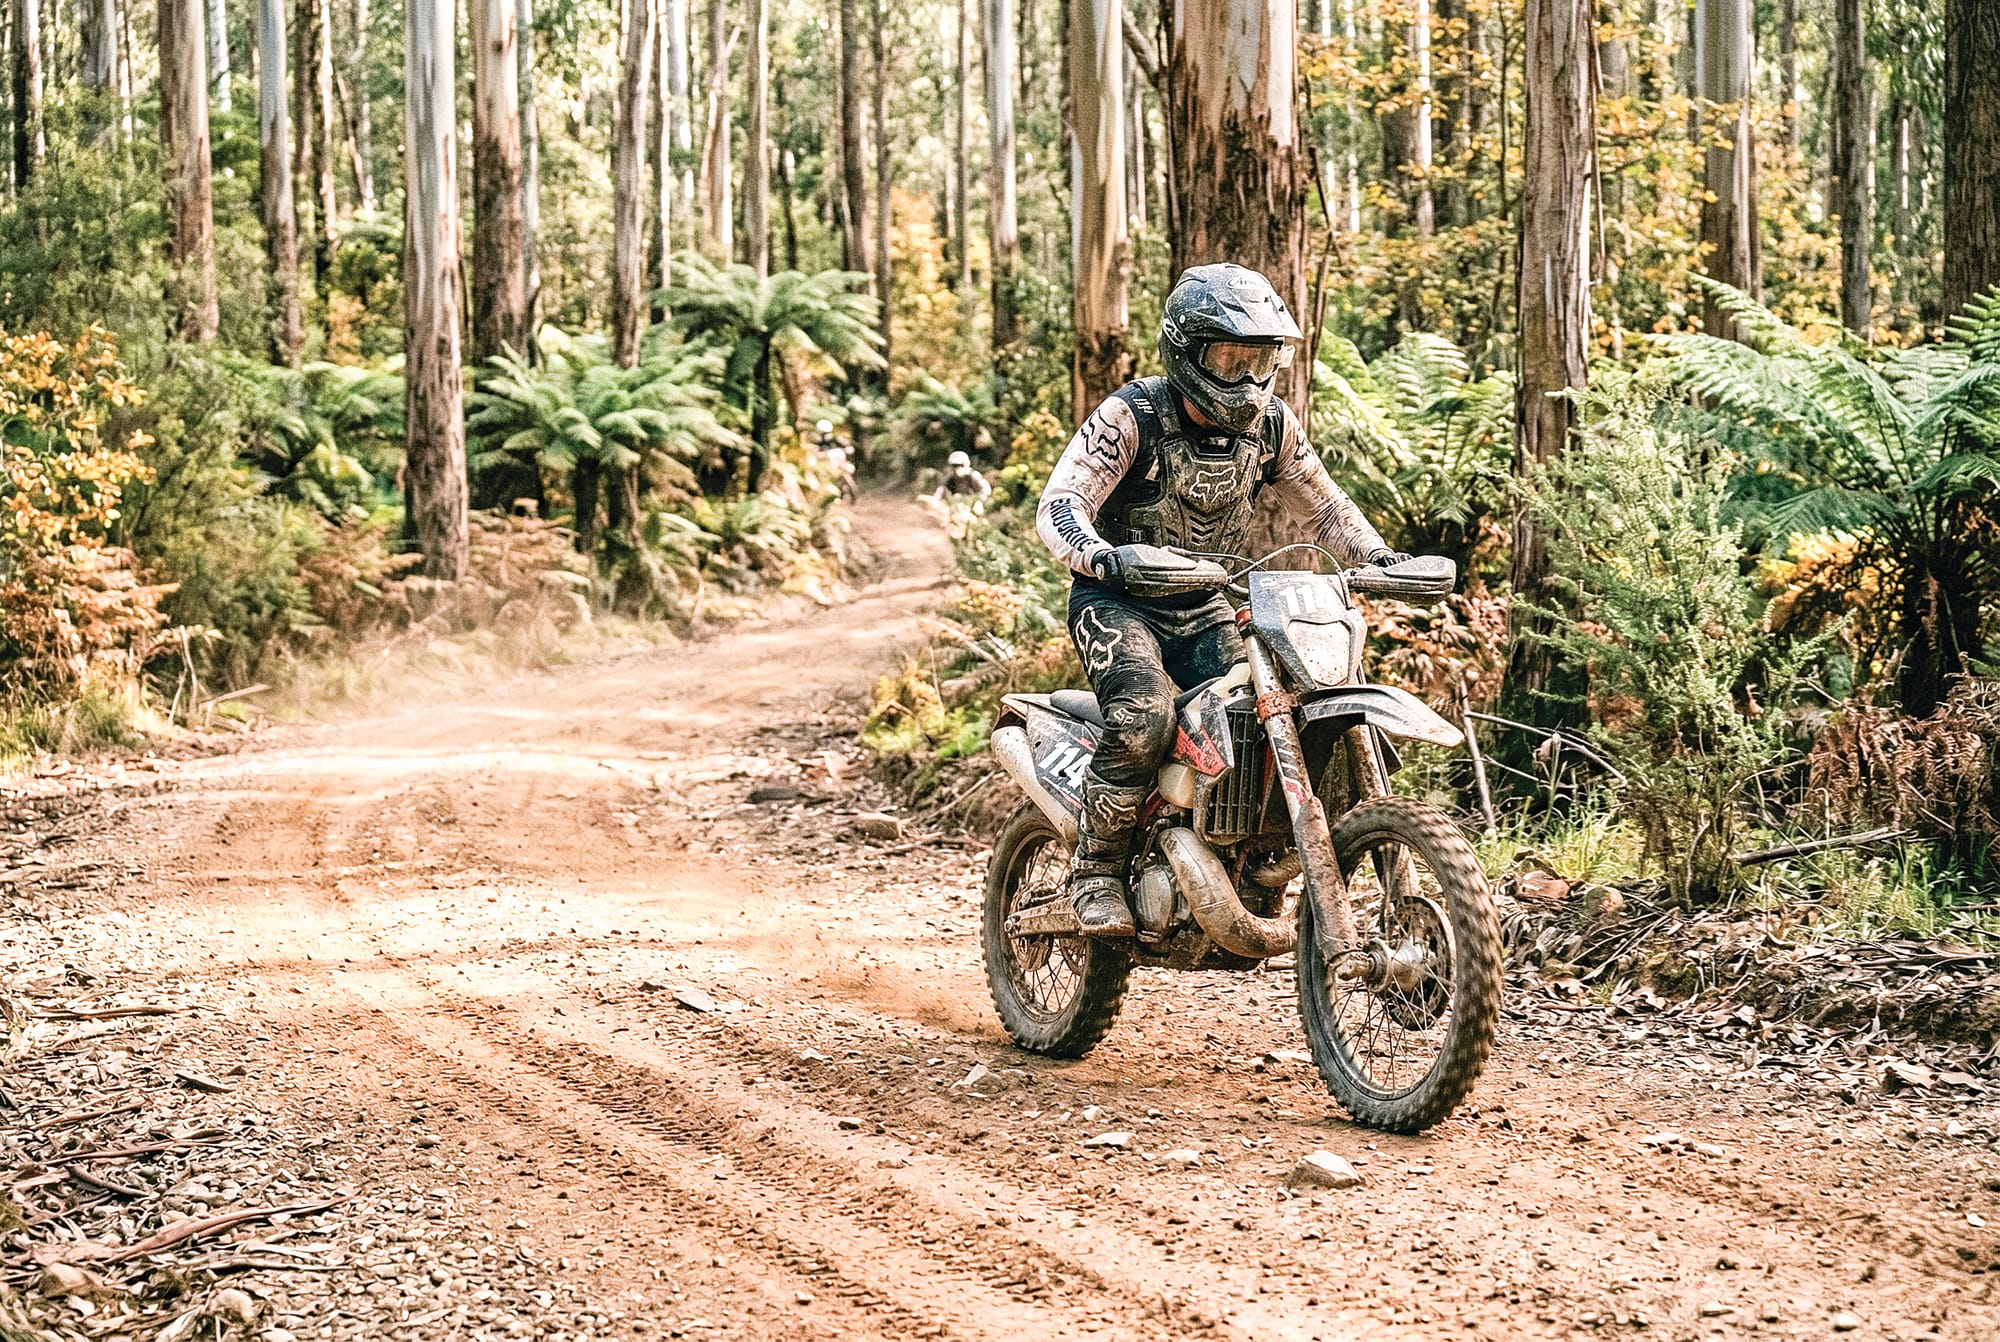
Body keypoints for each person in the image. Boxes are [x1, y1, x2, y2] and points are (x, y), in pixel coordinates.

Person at [1034, 263, 1409, 937]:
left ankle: (1265, 856)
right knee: (1146, 715)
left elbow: (1325, 508)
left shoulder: (1272, 428)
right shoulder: (1133, 416)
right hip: (1119, 602)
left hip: (1207, 600)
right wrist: (1105, 555)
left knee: (1286, 709)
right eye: (1226, 357)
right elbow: (1060, 504)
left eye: (1256, 359)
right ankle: (1096, 870)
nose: (1241, 377)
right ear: (1185, 349)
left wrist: (1381, 558)